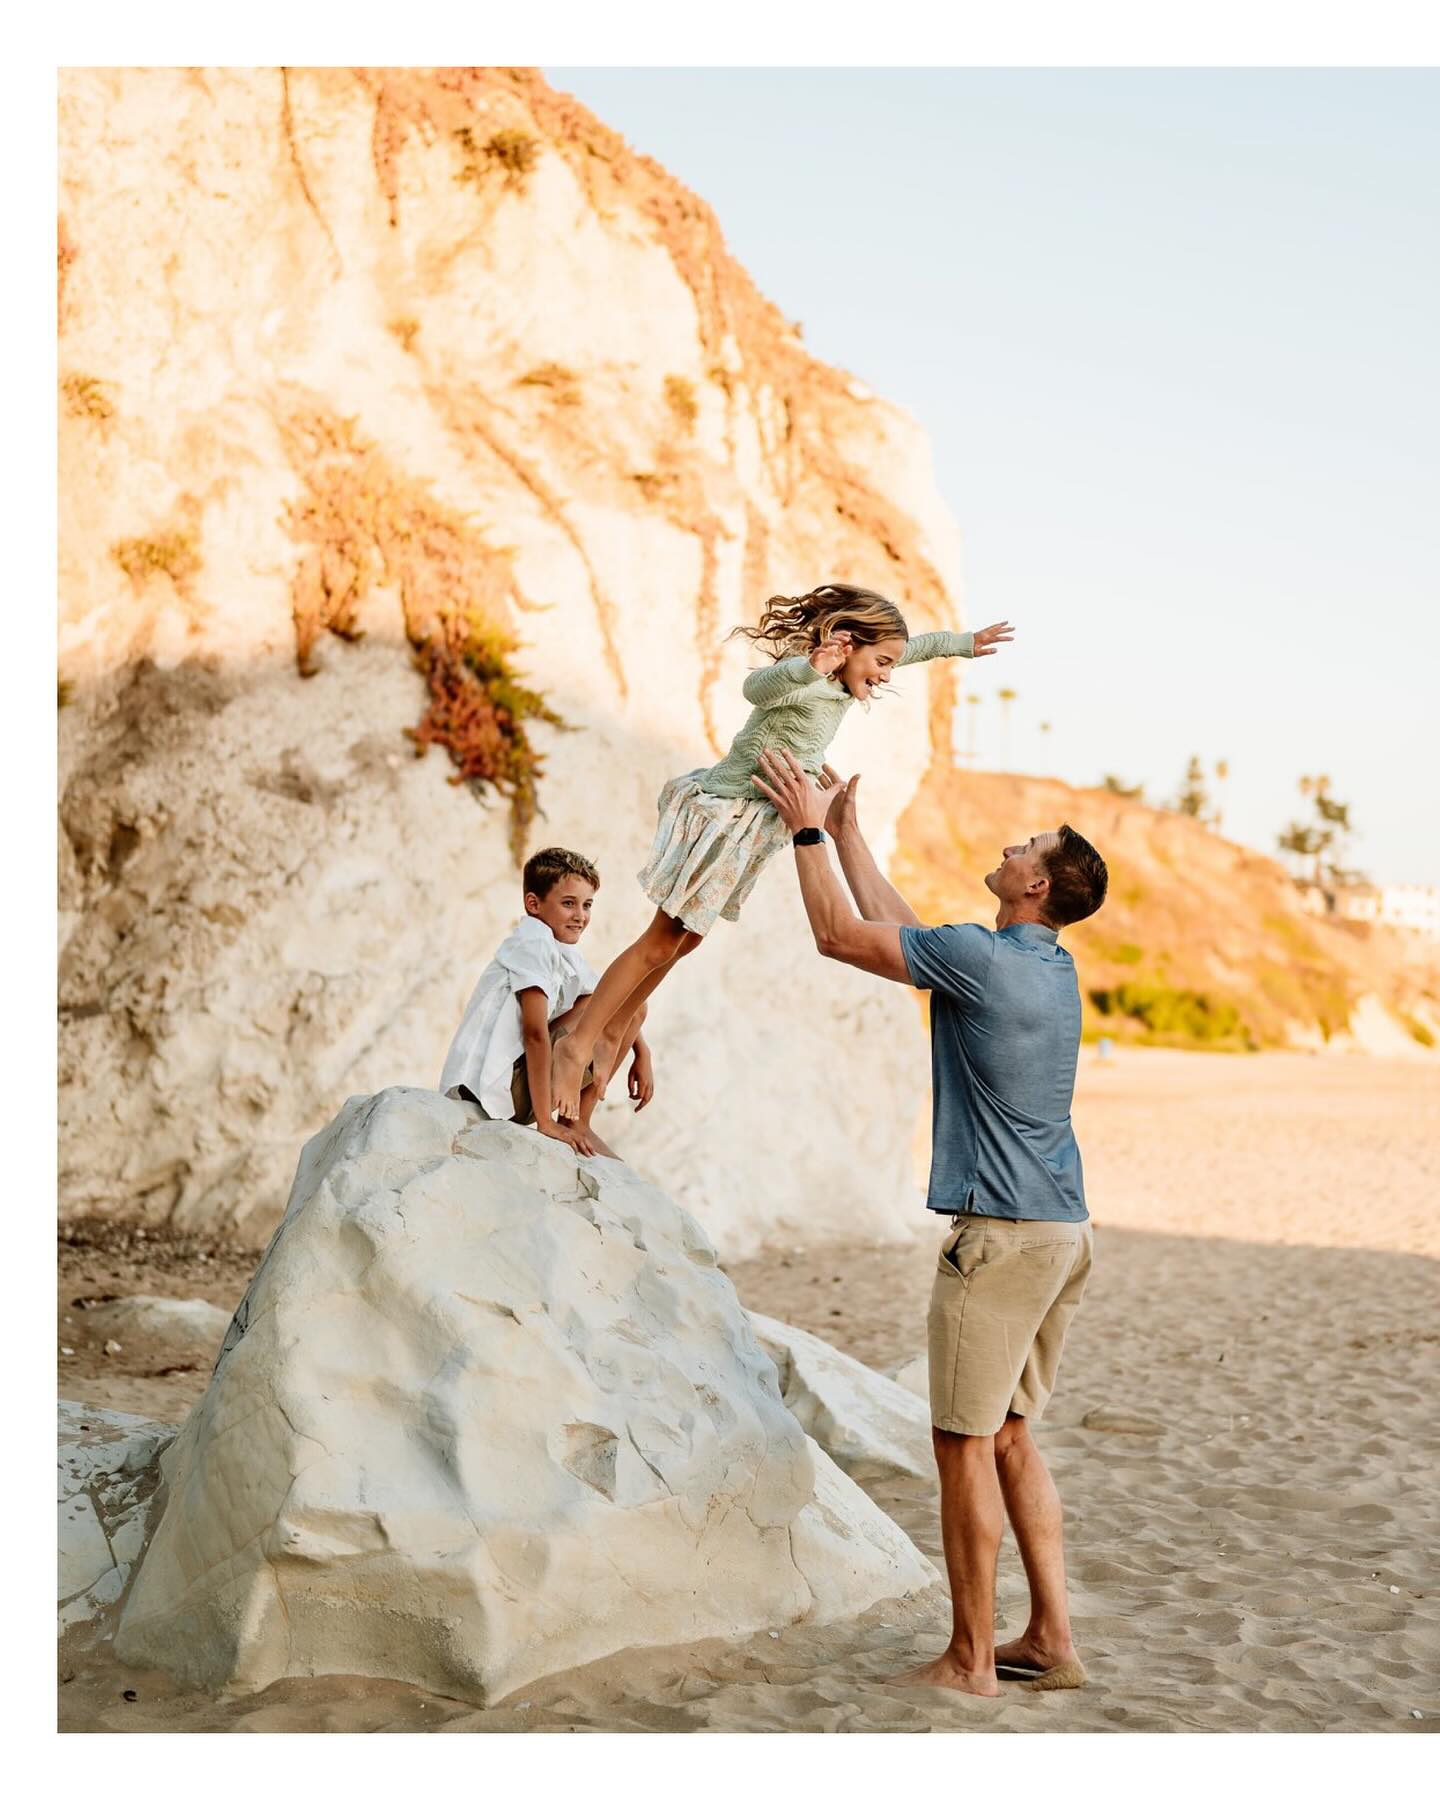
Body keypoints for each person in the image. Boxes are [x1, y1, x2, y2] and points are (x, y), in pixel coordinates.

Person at [751, 745, 1108, 1699]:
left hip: (1000, 1241)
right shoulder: (1042, 967)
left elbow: (840, 935)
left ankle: (970, 1660)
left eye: (1024, 845)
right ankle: (1053, 1641)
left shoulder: (987, 961)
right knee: (1011, 1437)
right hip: (1064, 1234)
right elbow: (914, 942)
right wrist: (857, 836)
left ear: (1033, 883)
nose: (1007, 843)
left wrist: (808, 830)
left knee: (960, 1445)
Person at [549, 583, 1013, 1119]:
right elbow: (755, 689)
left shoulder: (847, 679)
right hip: (725, 814)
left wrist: (962, 643)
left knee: (685, 942)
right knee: (660, 940)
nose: (888, 673)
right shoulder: (809, 680)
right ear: (845, 644)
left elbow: (914, 648)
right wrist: (811, 666)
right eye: (881, 662)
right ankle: (578, 1043)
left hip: (755, 828)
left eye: (892, 664)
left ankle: (615, 1030)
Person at [439, 846, 654, 1160]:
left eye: (587, 905)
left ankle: (579, 1120)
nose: (580, 916)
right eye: (569, 904)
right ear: (534, 904)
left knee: (624, 1000)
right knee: (611, 1004)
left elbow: (614, 1003)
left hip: (515, 1088)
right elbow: (535, 1034)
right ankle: (571, 1121)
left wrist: (642, 1051)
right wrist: (545, 1122)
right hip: (490, 1092)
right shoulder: (532, 943)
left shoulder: (561, 948)